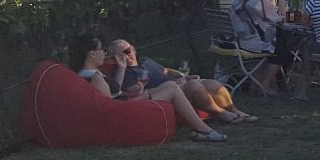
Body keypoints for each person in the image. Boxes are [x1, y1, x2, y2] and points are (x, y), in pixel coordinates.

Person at [68, 34, 225, 142]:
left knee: (170, 85)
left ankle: (202, 128)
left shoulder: (85, 74)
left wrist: (122, 69)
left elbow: (113, 94)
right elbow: (109, 108)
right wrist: (137, 98)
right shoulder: (94, 77)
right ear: (92, 54)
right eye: (102, 50)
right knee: (171, 88)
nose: (105, 53)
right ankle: (203, 129)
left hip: (126, 103)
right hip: (126, 111)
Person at [107, 38, 258, 123]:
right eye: (121, 54)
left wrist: (183, 75)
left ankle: (236, 111)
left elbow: (166, 70)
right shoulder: (125, 73)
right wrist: (122, 66)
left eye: (128, 50)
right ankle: (221, 113)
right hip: (169, 92)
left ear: (133, 49)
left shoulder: (146, 61)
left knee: (211, 84)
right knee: (193, 86)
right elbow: (135, 90)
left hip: (178, 83)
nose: (127, 55)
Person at [229, 0, 294, 93]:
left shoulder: (238, 0)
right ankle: (265, 84)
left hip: (240, 42)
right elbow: (281, 20)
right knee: (282, 50)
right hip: (257, 44)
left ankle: (256, 83)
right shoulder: (260, 2)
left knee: (279, 42)